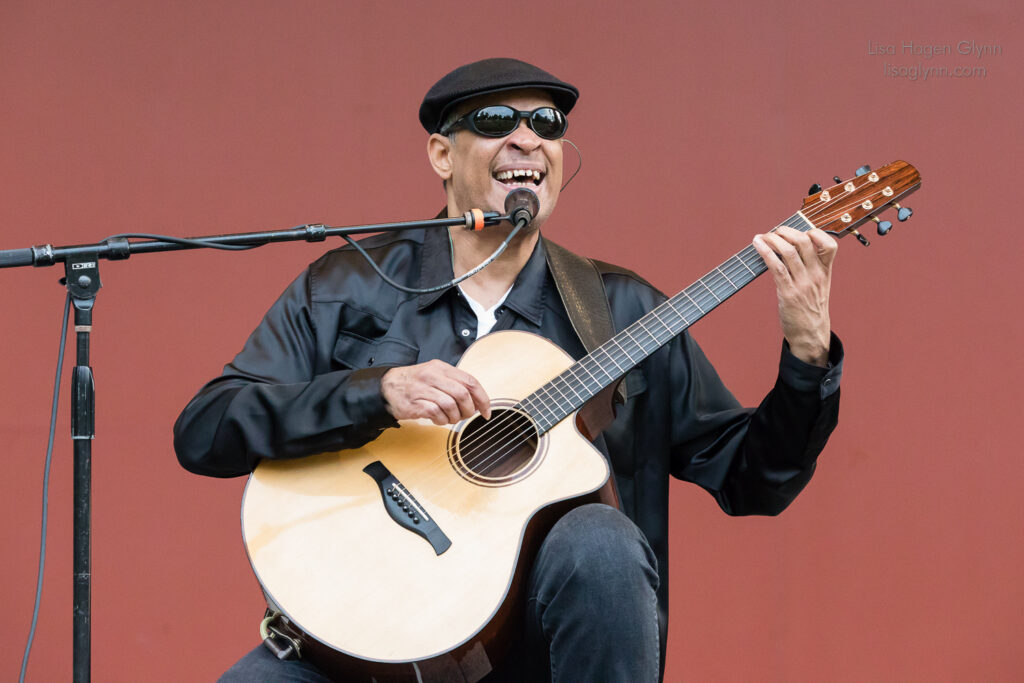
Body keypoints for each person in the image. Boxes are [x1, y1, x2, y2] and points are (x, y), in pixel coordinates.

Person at [174, 58, 843, 682]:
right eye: (497, 121)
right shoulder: (348, 287)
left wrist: (808, 352)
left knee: (600, 539)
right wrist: (374, 392)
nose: (528, 139)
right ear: (442, 154)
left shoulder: (621, 313)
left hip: (533, 661)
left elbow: (755, 479)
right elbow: (205, 429)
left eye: (547, 124)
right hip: (348, 652)